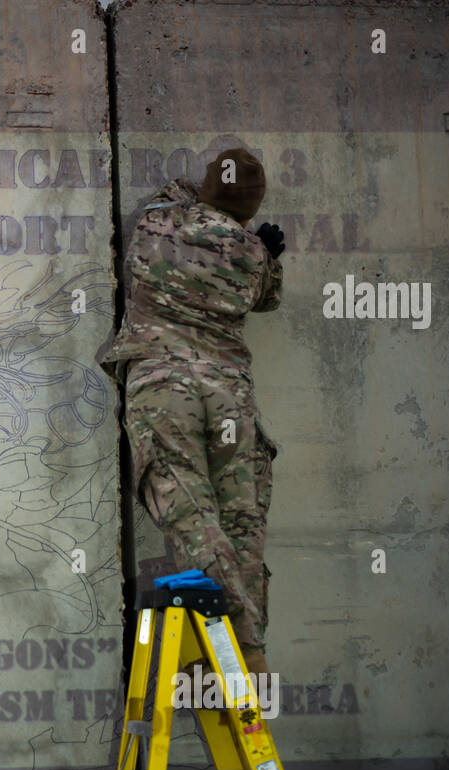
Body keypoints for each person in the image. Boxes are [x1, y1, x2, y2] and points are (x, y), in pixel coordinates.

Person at [98, 147, 285, 676]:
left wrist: (204, 199)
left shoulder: (157, 222)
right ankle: (250, 652)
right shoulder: (251, 255)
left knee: (190, 510)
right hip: (228, 392)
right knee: (241, 515)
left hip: (164, 385)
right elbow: (268, 297)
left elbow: (175, 197)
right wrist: (261, 248)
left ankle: (228, 636)